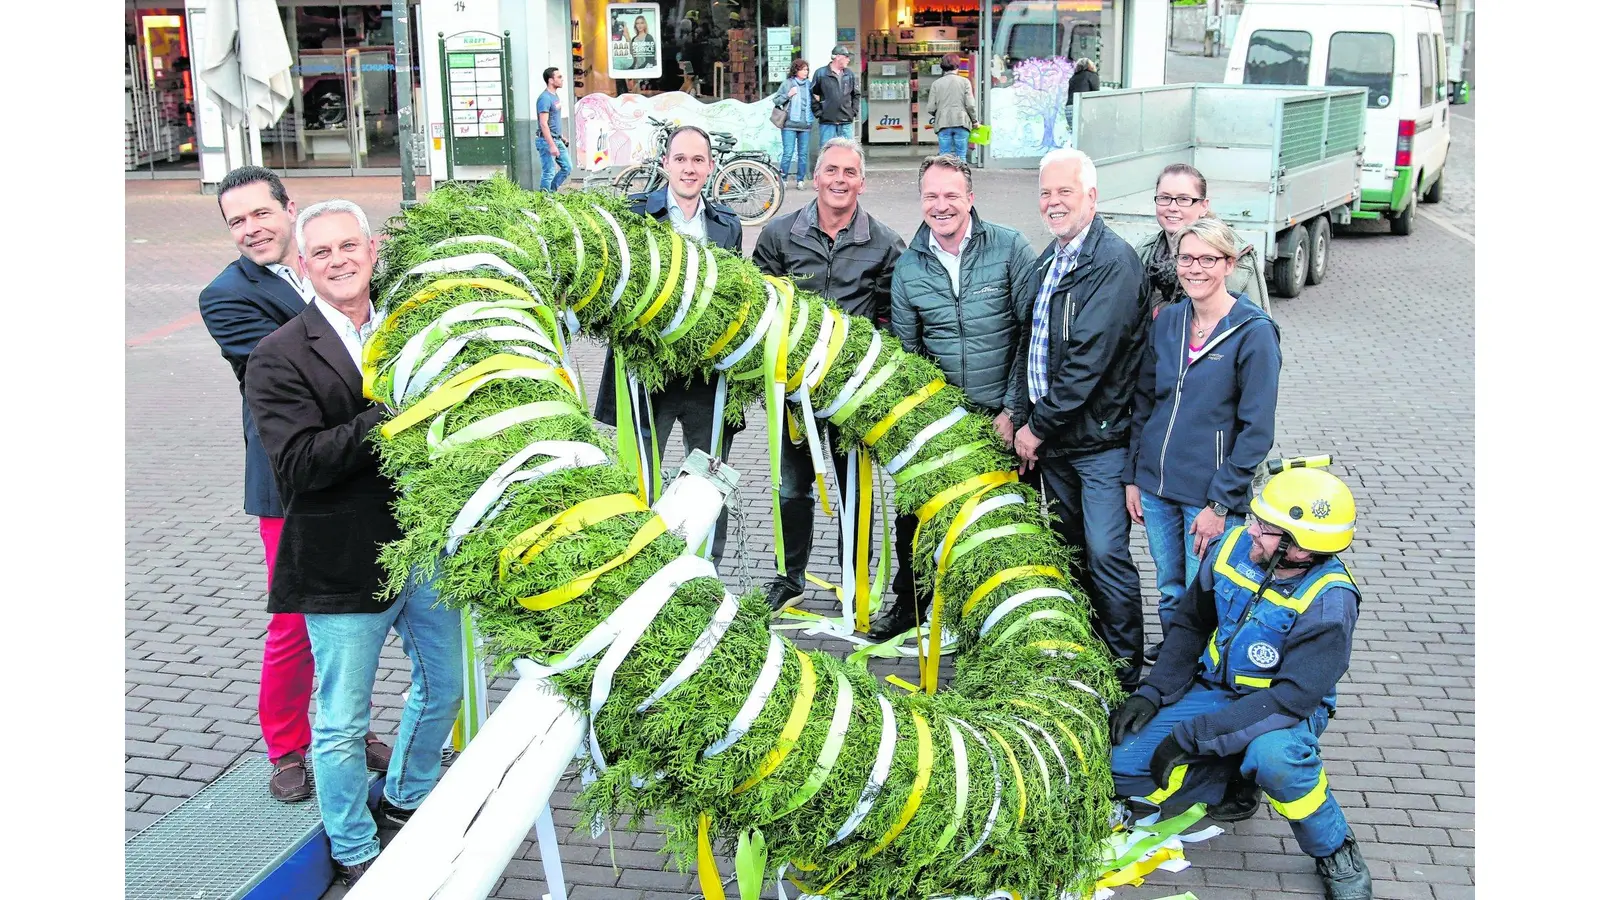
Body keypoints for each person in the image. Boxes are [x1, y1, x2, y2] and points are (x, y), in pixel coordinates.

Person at [244, 201, 463, 887]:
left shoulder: (411, 332)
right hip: (342, 564)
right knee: (341, 722)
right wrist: (389, 418)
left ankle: (405, 793)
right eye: (323, 253)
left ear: (372, 251)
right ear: (303, 266)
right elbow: (300, 464)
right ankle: (351, 839)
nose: (340, 261)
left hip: (424, 548)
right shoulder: (277, 355)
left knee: (446, 686)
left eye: (350, 247)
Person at [198, 167, 392, 804]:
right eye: (237, 222)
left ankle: (342, 729)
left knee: (354, 616)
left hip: (365, 468)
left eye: (261, 214)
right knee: (294, 622)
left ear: (290, 209)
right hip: (293, 477)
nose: (252, 230)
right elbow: (295, 364)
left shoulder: (333, 256)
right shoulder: (226, 295)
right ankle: (285, 746)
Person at [1108, 461, 1372, 900]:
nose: (1250, 530)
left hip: (1283, 711)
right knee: (1123, 766)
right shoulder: (1230, 547)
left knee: (1277, 759)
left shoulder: (1329, 603)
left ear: (1300, 549)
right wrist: (1153, 693)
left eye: (1265, 528)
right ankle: (1233, 776)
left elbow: (1290, 700)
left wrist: (1192, 737)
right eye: (1255, 518)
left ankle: (1335, 849)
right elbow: (1191, 625)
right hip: (1217, 691)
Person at [1007, 147, 1149, 693]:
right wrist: (1020, 413)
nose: (1053, 202)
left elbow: (1089, 357)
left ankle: (1123, 668)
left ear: (1092, 196)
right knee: (1069, 549)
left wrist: (1036, 427)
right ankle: (1085, 650)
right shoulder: (1052, 257)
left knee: (1106, 552)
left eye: (1065, 191)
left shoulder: (1112, 262)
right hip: (1057, 442)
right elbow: (1030, 343)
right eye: (1046, 192)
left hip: (1099, 442)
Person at [878, 154, 1035, 639]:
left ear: (970, 198)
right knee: (916, 517)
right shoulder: (909, 267)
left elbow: (1031, 334)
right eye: (931, 196)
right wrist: (931, 419)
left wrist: (1012, 411)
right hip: (943, 419)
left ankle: (1004, 619)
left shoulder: (1010, 247)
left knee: (1007, 521)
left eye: (951, 195)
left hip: (1002, 417)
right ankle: (910, 604)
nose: (940, 205)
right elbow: (908, 352)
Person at [752, 137, 905, 613]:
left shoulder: (883, 242)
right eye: (831, 171)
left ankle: (854, 579)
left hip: (851, 398)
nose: (840, 180)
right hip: (793, 395)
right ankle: (789, 576)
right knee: (791, 488)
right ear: (816, 177)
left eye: (849, 173)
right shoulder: (779, 235)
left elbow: (890, 317)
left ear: (862, 181)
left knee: (855, 494)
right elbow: (759, 306)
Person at [1126, 218, 1281, 665]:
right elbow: (1144, 401)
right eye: (1187, 258)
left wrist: (1220, 505)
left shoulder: (1254, 333)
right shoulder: (1169, 321)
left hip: (1208, 496)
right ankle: (1176, 663)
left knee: (1206, 591)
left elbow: (1257, 431)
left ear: (1229, 264)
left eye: (1208, 259)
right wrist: (1134, 476)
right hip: (1157, 488)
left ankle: (1203, 670)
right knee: (1170, 586)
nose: (1195, 269)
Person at [595, 126, 746, 563]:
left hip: (705, 377)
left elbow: (734, 298)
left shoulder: (726, 226)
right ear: (665, 164)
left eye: (698, 160)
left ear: (711, 167)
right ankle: (639, 569)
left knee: (707, 481)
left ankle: (705, 572)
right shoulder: (634, 214)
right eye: (680, 159)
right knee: (638, 478)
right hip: (648, 378)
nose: (689, 168)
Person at [1135, 163, 1271, 318]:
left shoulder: (1237, 257)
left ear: (1204, 206)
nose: (1172, 207)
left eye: (1183, 199)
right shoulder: (1143, 252)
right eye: (1165, 198)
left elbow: (1259, 326)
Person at [924, 53, 979, 162]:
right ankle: (961, 178)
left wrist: (940, 113)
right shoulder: (965, 82)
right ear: (958, 65)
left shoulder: (936, 84)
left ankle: (945, 178)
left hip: (943, 123)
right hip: (961, 122)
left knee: (944, 157)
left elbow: (930, 107)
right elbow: (970, 105)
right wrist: (974, 121)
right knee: (961, 157)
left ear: (942, 66)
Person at [773, 58, 816, 185]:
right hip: (789, 125)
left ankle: (800, 180)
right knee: (788, 153)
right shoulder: (788, 83)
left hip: (805, 125)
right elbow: (776, 101)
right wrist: (788, 94)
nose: (805, 72)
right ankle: (783, 179)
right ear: (795, 70)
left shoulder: (810, 85)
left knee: (803, 155)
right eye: (802, 69)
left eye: (807, 69)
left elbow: (814, 102)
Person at [812, 45, 861, 145]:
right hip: (827, 122)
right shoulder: (820, 73)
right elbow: (813, 94)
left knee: (847, 152)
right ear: (838, 57)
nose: (848, 59)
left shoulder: (850, 74)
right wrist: (819, 112)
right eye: (846, 57)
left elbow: (856, 95)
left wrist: (853, 112)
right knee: (827, 152)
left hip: (846, 121)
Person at [536, 67, 573, 192]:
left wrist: (561, 135)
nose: (562, 79)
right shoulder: (545, 98)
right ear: (551, 80)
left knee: (567, 167)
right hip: (546, 141)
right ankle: (544, 200)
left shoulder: (554, 96)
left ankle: (551, 193)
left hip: (556, 138)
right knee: (549, 172)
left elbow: (553, 119)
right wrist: (552, 145)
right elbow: (543, 123)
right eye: (559, 77)